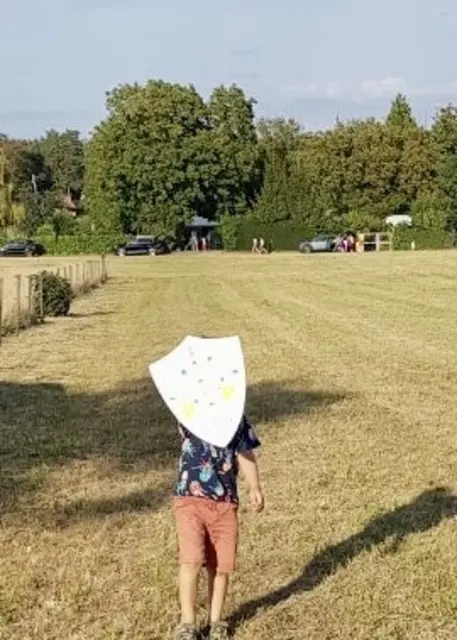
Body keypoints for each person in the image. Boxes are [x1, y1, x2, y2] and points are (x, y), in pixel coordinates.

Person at [173, 416, 264, 640]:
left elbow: (245, 453)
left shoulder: (236, 418)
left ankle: (216, 621)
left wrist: (254, 486)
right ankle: (187, 621)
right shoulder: (191, 413)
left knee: (221, 566)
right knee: (191, 561)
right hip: (189, 500)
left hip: (225, 504)